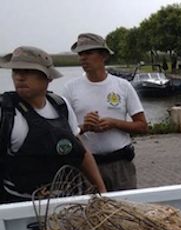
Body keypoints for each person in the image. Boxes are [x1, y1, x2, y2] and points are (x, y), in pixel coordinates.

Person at [0, 46, 106, 203]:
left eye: (28, 71)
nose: (20, 77)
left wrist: (102, 191)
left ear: (48, 78)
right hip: (17, 203)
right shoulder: (5, 111)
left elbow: (81, 152)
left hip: (63, 201)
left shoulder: (61, 105)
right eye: (16, 71)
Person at [62, 33, 148, 191]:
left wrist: (114, 123)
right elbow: (63, 132)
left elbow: (142, 126)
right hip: (86, 167)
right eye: (80, 54)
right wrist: (84, 127)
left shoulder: (122, 86)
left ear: (104, 56)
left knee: (125, 212)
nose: (83, 58)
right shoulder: (70, 88)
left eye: (88, 53)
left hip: (121, 166)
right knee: (91, 214)